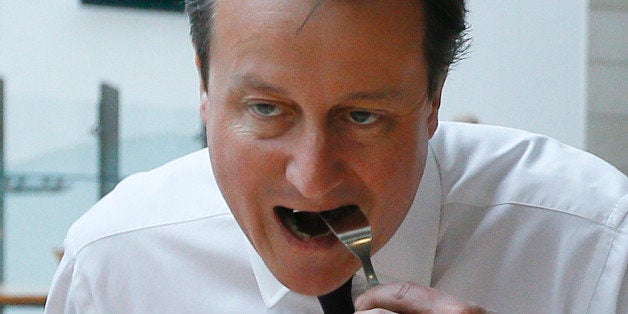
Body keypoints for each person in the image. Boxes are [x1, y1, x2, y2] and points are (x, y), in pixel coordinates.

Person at [45, 0, 627, 313]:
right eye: (266, 109)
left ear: (433, 99)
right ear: (203, 87)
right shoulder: (115, 268)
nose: (314, 178)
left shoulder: (597, 254)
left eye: (362, 117)